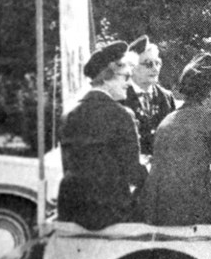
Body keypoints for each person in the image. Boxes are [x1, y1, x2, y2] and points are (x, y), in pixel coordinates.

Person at [58, 42, 147, 230]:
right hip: (109, 213)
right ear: (107, 77)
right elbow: (132, 172)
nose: (128, 83)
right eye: (126, 77)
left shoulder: (69, 114)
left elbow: (69, 165)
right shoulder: (121, 115)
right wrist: (150, 171)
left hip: (70, 210)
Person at [140, 52, 211, 225]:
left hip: (160, 216)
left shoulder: (167, 120)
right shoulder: (209, 118)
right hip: (194, 217)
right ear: (209, 93)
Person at [121, 35, 177, 157]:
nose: (155, 69)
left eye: (157, 63)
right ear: (132, 67)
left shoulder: (167, 97)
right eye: (148, 64)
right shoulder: (119, 98)